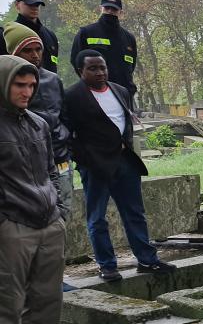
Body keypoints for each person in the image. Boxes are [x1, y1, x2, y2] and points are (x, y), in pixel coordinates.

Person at [0, 54, 79, 324]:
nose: (27, 91)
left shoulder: (38, 123)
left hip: (48, 222)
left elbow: (50, 170)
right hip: (13, 223)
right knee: (7, 303)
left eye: (32, 85)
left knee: (48, 300)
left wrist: (59, 211)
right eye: (20, 84)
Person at [63, 50, 175, 281]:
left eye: (102, 67)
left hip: (125, 163)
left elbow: (125, 123)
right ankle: (107, 265)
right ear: (80, 71)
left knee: (135, 213)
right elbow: (66, 133)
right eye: (92, 68)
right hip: (95, 166)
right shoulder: (72, 96)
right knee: (97, 217)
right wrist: (84, 159)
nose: (100, 72)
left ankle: (147, 259)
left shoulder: (120, 90)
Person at [5, 22, 72, 225]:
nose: (35, 55)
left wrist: (66, 144)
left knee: (64, 212)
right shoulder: (6, 85)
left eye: (38, 49)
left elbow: (64, 116)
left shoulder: (53, 80)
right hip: (27, 164)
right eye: (27, 50)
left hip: (60, 159)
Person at [70, 0, 138, 103]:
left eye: (114, 9)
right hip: (95, 96)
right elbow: (75, 60)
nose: (110, 12)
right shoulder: (86, 32)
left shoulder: (129, 38)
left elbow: (131, 66)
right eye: (107, 8)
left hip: (124, 97)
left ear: (121, 12)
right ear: (100, 8)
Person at [0, 0, 60, 74]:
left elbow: (53, 66)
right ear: (17, 5)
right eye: (30, 4)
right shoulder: (5, 34)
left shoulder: (50, 35)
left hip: (48, 85)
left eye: (37, 4)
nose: (34, 8)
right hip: (20, 85)